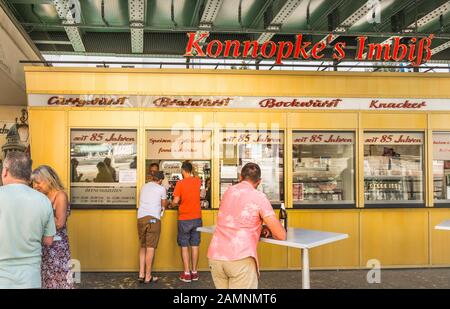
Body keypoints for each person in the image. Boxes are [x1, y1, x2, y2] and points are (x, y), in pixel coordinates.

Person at [207, 162, 286, 289]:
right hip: (240, 258)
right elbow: (280, 235)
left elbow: (236, 218)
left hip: (216, 256)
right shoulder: (259, 197)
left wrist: (259, 227)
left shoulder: (228, 192)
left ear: (240, 177)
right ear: (259, 181)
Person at [0, 152, 56, 289]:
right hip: (31, 276)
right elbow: (48, 240)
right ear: (29, 175)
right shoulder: (43, 201)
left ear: (5, 171)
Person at [31, 165, 74, 289]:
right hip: (43, 245)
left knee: (58, 278)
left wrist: (38, 218)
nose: (35, 186)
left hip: (57, 248)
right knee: (45, 278)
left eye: (38, 182)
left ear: (49, 180)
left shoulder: (60, 196)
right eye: (34, 183)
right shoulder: (41, 196)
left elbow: (60, 223)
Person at [171, 161, 202, 283]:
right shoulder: (197, 181)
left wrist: (172, 203)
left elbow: (176, 200)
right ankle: (194, 272)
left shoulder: (180, 183)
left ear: (183, 170)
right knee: (195, 245)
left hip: (184, 218)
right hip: (197, 218)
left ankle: (187, 273)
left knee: (184, 246)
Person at [137, 171, 167, 284]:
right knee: (150, 247)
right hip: (153, 219)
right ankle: (148, 276)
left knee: (143, 246)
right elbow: (164, 205)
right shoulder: (161, 188)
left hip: (141, 219)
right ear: (160, 180)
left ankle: (141, 274)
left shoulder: (144, 186)